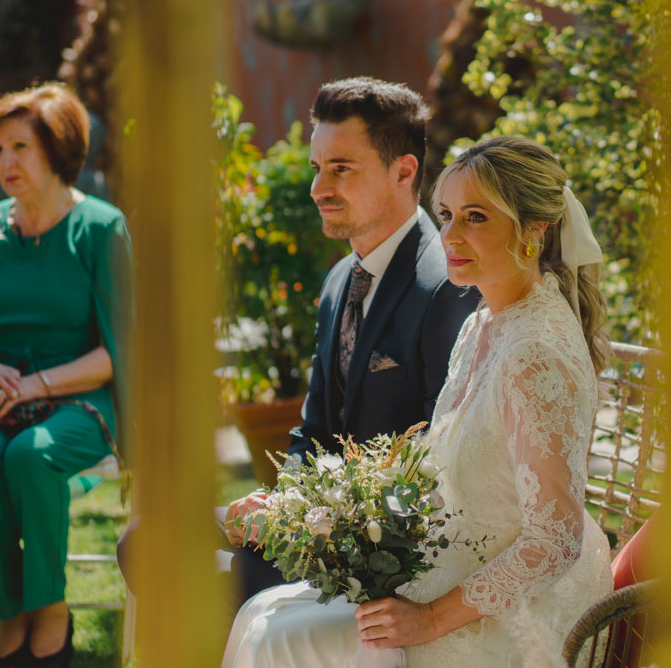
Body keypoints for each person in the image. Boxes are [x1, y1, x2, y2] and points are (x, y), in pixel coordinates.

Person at [222, 135, 615, 667]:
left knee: (284, 638)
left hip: (518, 615)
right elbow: (441, 467)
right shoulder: (484, 323)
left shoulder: (535, 353)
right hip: (452, 563)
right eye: (447, 214)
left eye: (475, 217)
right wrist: (310, 514)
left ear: (533, 231)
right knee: (267, 615)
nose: (449, 235)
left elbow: (555, 539)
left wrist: (427, 619)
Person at [116, 77, 478, 606]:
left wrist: (308, 519)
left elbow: (438, 460)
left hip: (385, 547)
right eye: (317, 167)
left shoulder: (445, 284)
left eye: (341, 168)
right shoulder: (339, 282)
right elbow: (314, 429)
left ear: (403, 171)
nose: (318, 188)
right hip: (309, 518)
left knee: (224, 586)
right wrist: (277, 500)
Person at [0, 83, 133, 668]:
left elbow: (118, 350)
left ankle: (51, 612)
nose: (6, 162)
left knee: (29, 457)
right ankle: (11, 612)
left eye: (21, 146)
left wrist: (33, 385)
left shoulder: (99, 228)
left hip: (78, 400)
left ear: (58, 148)